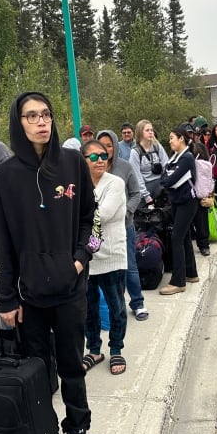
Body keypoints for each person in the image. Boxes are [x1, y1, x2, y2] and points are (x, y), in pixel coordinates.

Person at [0, 91, 96, 434]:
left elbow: (90, 220)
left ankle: (78, 428)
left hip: (70, 290)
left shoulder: (72, 162)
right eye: (31, 116)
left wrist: (80, 259)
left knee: (71, 366)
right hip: (28, 296)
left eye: (46, 114)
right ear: (18, 123)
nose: (41, 122)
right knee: (37, 373)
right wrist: (5, 298)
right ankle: (42, 430)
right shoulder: (3, 176)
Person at [79, 140, 129, 376]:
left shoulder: (115, 183)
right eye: (93, 156)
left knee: (116, 306)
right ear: (83, 160)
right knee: (89, 309)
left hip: (111, 256)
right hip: (87, 258)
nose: (99, 160)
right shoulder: (79, 185)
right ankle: (95, 349)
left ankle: (116, 348)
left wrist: (76, 215)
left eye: (103, 155)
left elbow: (103, 214)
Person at [96, 129, 149, 320]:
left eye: (109, 146)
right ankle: (113, 307)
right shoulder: (91, 167)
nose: (105, 150)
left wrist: (127, 211)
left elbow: (136, 193)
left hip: (124, 226)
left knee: (129, 265)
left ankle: (138, 303)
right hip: (99, 228)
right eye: (101, 146)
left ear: (116, 147)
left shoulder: (124, 167)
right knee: (105, 270)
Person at [159, 126, 199, 295]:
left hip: (187, 202)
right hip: (176, 202)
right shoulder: (174, 158)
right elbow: (164, 176)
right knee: (184, 237)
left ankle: (178, 281)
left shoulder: (187, 158)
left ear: (181, 138)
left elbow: (171, 181)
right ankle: (190, 273)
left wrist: (167, 178)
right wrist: (167, 178)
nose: (170, 141)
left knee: (176, 238)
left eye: (172, 138)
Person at [182, 123, 211, 257]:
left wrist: (209, 191)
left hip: (199, 190)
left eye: (191, 133)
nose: (189, 135)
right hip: (185, 190)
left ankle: (204, 244)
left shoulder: (200, 147)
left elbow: (207, 170)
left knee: (201, 220)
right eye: (186, 133)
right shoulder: (177, 150)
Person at [129, 119, 169, 207]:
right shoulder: (135, 152)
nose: (151, 132)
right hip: (145, 188)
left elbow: (166, 164)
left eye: (151, 130)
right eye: (147, 130)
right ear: (140, 132)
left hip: (160, 186)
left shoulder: (157, 146)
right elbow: (136, 175)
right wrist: (146, 196)